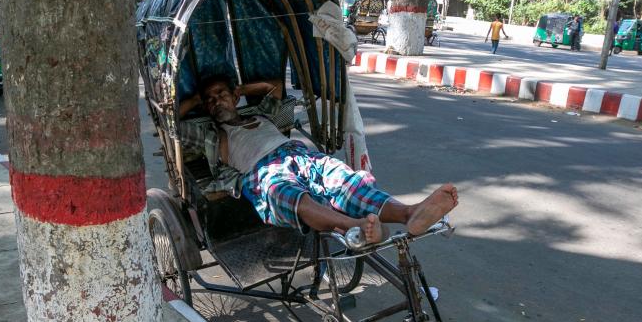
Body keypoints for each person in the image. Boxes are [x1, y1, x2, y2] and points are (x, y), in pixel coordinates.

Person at [182, 76, 458, 244]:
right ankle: (357, 227)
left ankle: (409, 213)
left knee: (344, 178)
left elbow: (275, 88)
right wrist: (195, 100)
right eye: (210, 100)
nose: (216, 101)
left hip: (299, 153)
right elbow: (170, 121)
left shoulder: (259, 115)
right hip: (262, 170)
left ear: (234, 97)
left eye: (221, 94)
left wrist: (240, 88)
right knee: (288, 195)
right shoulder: (213, 135)